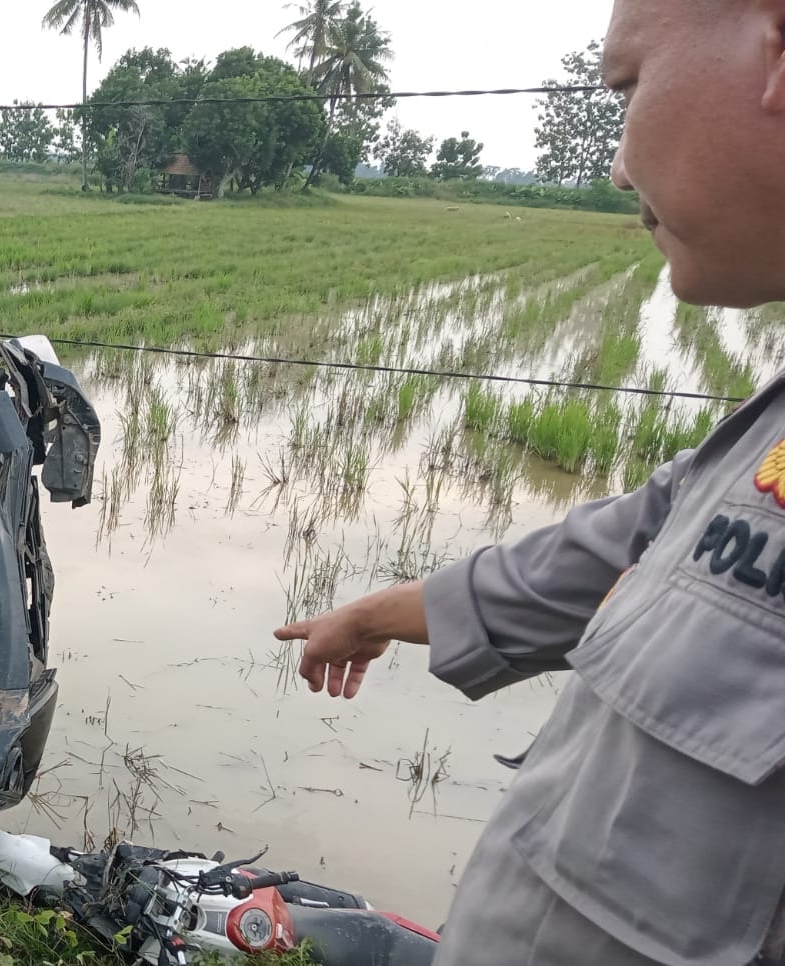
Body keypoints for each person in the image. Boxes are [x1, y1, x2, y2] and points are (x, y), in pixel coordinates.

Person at [272, 1, 785, 963]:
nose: (619, 164)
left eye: (629, 87)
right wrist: (372, 617)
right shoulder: (764, 437)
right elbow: (593, 561)